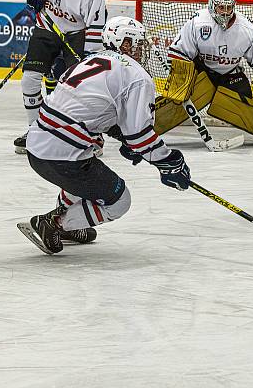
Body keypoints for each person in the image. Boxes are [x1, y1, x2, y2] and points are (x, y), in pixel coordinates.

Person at [16, 17, 191, 255]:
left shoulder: (91, 60)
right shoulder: (137, 76)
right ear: (125, 44)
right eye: (138, 44)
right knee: (120, 201)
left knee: (86, 165)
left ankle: (64, 221)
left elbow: (94, 111)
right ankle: (53, 225)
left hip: (36, 150)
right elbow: (140, 136)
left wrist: (124, 137)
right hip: (63, 160)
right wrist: (168, 162)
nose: (141, 51)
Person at [15, 0, 107, 155]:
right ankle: (36, 131)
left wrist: (87, 57)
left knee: (78, 88)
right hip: (46, 29)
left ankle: (91, 134)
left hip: (76, 36)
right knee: (29, 81)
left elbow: (96, 25)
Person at [168, 0, 253, 108]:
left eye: (229, 7)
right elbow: (179, 53)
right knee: (176, 106)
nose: (225, 12)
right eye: (221, 8)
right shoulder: (198, 22)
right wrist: (179, 77)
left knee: (246, 105)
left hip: (229, 75)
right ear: (212, 6)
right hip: (202, 72)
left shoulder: (247, 29)